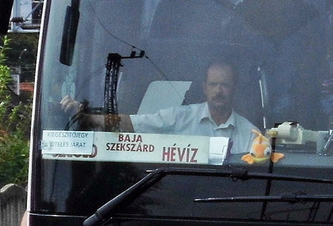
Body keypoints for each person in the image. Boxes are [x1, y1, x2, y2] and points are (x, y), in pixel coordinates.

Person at [81, 60, 264, 159]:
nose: (218, 91)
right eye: (213, 84)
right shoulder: (179, 117)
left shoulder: (251, 135)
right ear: (204, 88)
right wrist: (86, 118)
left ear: (234, 89)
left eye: (224, 85)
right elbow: (132, 124)